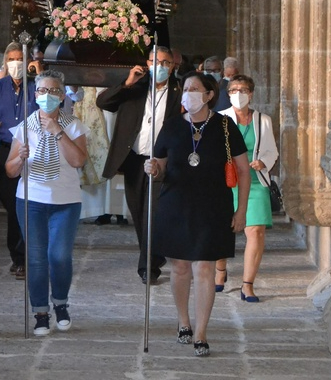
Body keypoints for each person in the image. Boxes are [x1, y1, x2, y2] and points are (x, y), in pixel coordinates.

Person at [144, 72, 250, 357]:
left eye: (194, 89)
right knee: (179, 267)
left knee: (204, 267)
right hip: (176, 204)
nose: (188, 93)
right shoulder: (171, 126)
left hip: (212, 206)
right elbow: (162, 167)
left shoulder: (225, 127)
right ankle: (184, 322)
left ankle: (201, 333)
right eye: (186, 89)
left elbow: (243, 171)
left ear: (209, 95)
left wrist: (241, 210)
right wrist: (154, 169)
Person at [5, 70, 89, 335]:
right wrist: (20, 159)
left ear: (62, 96)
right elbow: (9, 170)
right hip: (31, 200)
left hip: (66, 201)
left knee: (60, 256)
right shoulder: (24, 128)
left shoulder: (74, 125)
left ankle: (61, 303)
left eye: (53, 91)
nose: (47, 95)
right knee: (37, 259)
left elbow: (79, 161)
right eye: (42, 91)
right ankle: (40, 311)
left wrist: (57, 132)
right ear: (35, 95)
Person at [95, 46, 182, 284]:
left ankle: (148, 267)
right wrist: (128, 82)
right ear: (147, 63)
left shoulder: (179, 91)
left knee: (153, 213)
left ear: (172, 66)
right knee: (138, 212)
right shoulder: (136, 87)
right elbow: (103, 102)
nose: (161, 67)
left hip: (162, 160)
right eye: (155, 61)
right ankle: (154, 256)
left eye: (165, 63)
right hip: (134, 158)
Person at [215, 74, 278, 302]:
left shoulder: (263, 120)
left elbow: (272, 150)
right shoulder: (220, 119)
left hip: (254, 180)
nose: (238, 94)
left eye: (243, 90)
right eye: (233, 90)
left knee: (256, 231)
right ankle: (220, 270)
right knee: (221, 229)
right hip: (226, 181)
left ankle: (247, 284)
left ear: (251, 94)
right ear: (228, 94)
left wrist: (264, 162)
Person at [0, 43, 38, 278]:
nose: (16, 63)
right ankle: (18, 256)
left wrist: (40, 72)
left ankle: (31, 255)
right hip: (6, 151)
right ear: (5, 62)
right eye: (11, 59)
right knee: (13, 205)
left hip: (34, 150)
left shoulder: (36, 86)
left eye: (20, 59)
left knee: (32, 203)